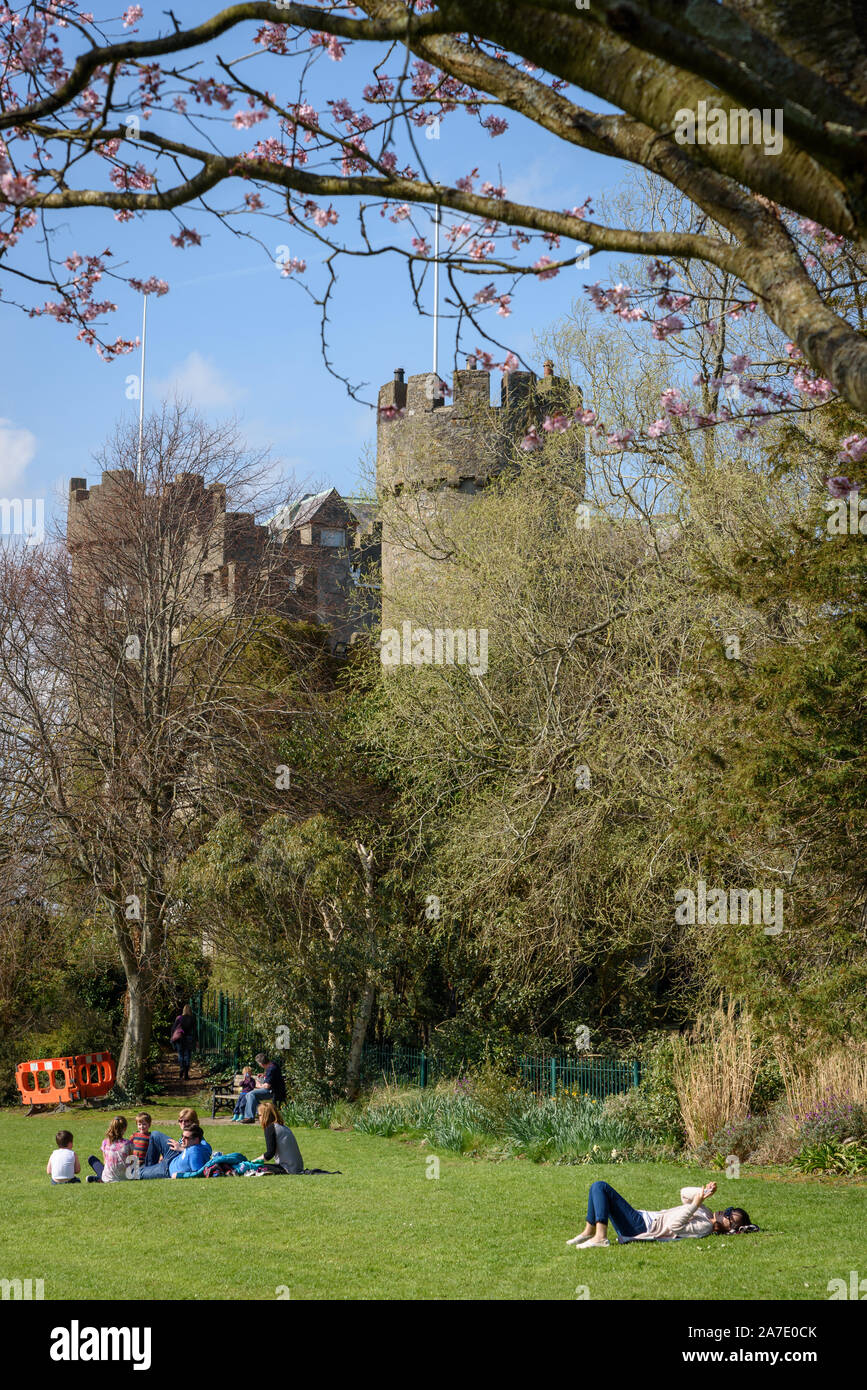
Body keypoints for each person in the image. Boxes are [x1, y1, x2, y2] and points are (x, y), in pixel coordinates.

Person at [567, 1179, 757, 1246]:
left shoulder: (705, 1226)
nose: (725, 1212)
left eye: (730, 1216)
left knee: (601, 1187)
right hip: (641, 1219)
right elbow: (684, 1194)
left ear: (729, 1227)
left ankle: (600, 1237)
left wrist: (694, 1205)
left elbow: (674, 1226)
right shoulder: (706, 1213)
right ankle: (589, 1232)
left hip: (642, 1227)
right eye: (729, 1209)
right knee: (597, 1187)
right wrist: (703, 1195)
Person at [252, 1102, 303, 1174]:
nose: (258, 1118)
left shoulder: (270, 1128)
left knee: (255, 1167)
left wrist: (253, 1162)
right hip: (297, 1167)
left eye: (259, 1115)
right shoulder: (284, 1127)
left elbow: (269, 1154)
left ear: (265, 1116)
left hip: (287, 1168)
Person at [240, 1052, 286, 1123]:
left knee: (250, 1094)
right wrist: (264, 1075)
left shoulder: (271, 1069)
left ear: (261, 1063)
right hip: (279, 1089)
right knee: (252, 1097)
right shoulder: (273, 1065)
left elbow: (267, 1086)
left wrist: (258, 1085)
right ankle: (262, 1113)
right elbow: (272, 1077)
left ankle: (250, 1117)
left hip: (273, 1092)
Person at [87, 1117, 135, 1183]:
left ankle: (97, 1179)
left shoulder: (105, 1142)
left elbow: (105, 1161)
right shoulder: (129, 1143)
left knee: (92, 1159)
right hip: (126, 1177)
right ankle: (97, 1178)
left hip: (107, 1178)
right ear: (125, 1129)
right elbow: (132, 1162)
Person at [171, 1003, 196, 1081]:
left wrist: (172, 1037)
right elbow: (195, 1030)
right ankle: (186, 1074)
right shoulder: (192, 1019)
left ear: (183, 1010)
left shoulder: (179, 1018)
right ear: (190, 1010)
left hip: (180, 1038)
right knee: (188, 1055)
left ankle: (182, 1067)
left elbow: (173, 1028)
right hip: (189, 1038)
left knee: (180, 1054)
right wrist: (196, 1040)